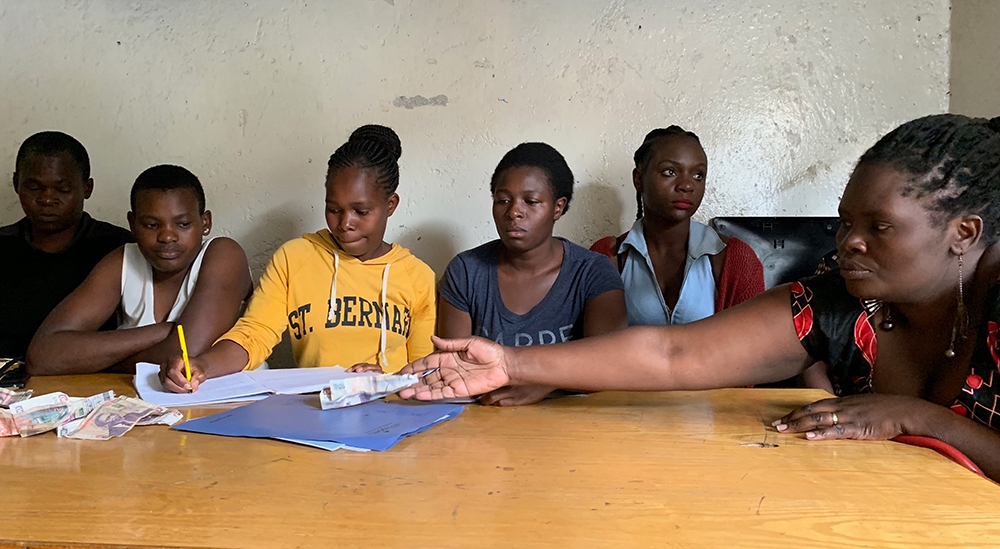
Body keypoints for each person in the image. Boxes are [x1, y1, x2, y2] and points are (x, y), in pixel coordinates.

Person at [401, 114, 1000, 481]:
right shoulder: (838, 300)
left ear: (963, 233)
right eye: (846, 223)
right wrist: (510, 362)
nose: (850, 244)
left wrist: (920, 419)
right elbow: (675, 355)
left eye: (879, 227)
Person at [160, 125, 437, 393]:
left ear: (390, 205)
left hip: (390, 415)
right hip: (315, 414)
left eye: (361, 212)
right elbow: (254, 334)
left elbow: (424, 372)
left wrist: (385, 381)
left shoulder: (418, 277)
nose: (345, 224)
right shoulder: (295, 258)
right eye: (334, 209)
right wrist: (202, 365)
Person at [438, 142, 627, 406]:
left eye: (531, 201)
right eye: (502, 200)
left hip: (575, 427)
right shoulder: (467, 271)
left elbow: (611, 362)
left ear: (558, 208)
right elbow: (455, 368)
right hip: (486, 422)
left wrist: (544, 383)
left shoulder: (592, 272)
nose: (514, 212)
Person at [26, 164, 252, 375]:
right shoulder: (123, 260)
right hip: (147, 406)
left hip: (230, 406)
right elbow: (43, 356)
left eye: (183, 224)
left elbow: (185, 357)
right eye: (152, 225)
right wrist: (166, 330)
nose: (167, 236)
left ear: (205, 223)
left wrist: (102, 362)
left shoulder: (224, 254)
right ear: (132, 224)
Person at [590, 126, 764, 326]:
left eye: (698, 175)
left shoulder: (735, 258)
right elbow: (596, 349)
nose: (687, 185)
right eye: (670, 172)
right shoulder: (607, 257)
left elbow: (753, 346)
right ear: (639, 179)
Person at [0, 132, 132, 358]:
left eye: (62, 189)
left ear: (87, 188)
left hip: (89, 379)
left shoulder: (120, 248)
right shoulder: (4, 246)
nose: (47, 199)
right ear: (16, 184)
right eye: (34, 188)